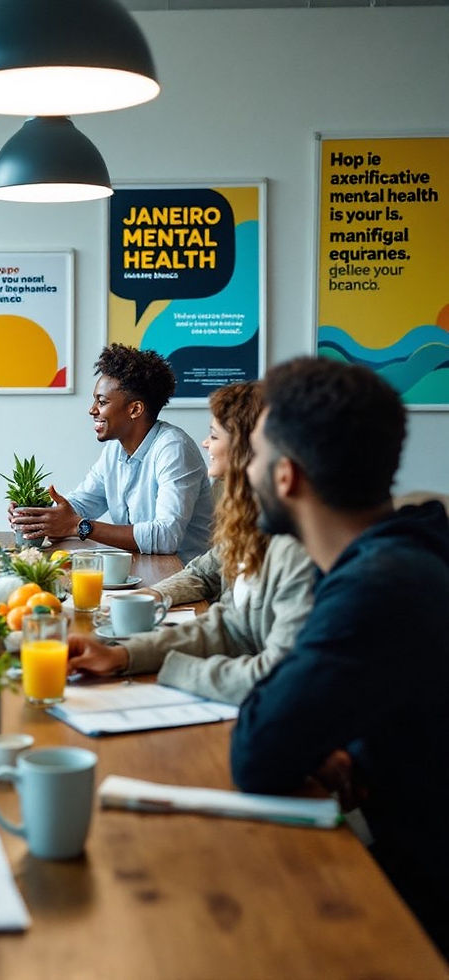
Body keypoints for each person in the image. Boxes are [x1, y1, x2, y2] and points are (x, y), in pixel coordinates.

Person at [229, 357, 449, 956]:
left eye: (254, 455)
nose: (244, 470)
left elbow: (257, 751)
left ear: (286, 477)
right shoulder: (404, 551)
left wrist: (308, 734)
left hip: (419, 913)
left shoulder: (379, 585)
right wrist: (343, 745)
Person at [66, 381, 315, 704]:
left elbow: (278, 677)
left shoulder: (296, 549)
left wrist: (165, 670)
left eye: (214, 435)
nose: (205, 443)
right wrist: (124, 655)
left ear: (249, 450)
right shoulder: (251, 523)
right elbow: (228, 622)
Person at [11, 344, 212, 562]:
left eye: (102, 402)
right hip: (140, 566)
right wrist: (36, 515)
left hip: (184, 574)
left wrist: (80, 527)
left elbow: (166, 537)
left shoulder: (174, 449)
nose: (92, 410)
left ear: (135, 409)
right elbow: (82, 504)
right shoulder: (114, 450)